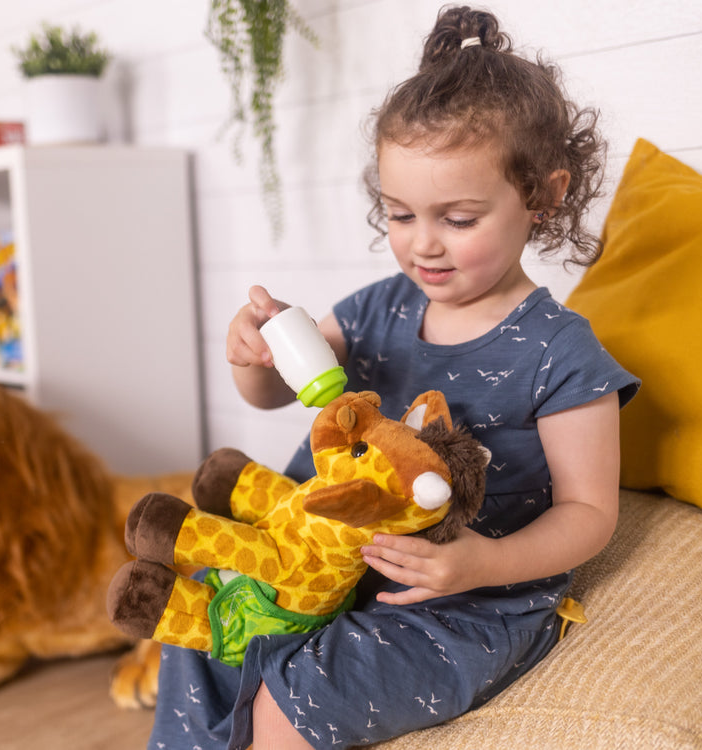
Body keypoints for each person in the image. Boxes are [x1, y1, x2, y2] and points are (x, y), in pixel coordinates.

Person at [148, 6, 639, 749]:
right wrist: (256, 361)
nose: (422, 244)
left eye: (459, 218)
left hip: (456, 599)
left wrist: (483, 562)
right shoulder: (378, 309)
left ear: (544, 194)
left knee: (296, 702)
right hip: (317, 562)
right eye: (400, 213)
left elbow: (589, 512)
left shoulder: (560, 353)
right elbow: (283, 393)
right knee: (203, 631)